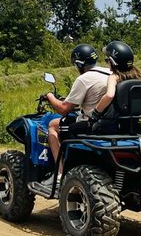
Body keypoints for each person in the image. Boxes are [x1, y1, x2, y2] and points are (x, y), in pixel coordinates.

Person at [43, 44, 111, 186]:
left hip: (93, 123)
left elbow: (63, 109)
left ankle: (59, 173)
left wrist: (50, 96)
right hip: (111, 120)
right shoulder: (110, 73)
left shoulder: (84, 79)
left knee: (52, 126)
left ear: (79, 64)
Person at [92, 41, 141, 121]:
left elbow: (109, 96)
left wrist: (96, 112)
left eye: (107, 60)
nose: (107, 62)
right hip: (135, 123)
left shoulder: (114, 77)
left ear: (112, 62)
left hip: (114, 122)